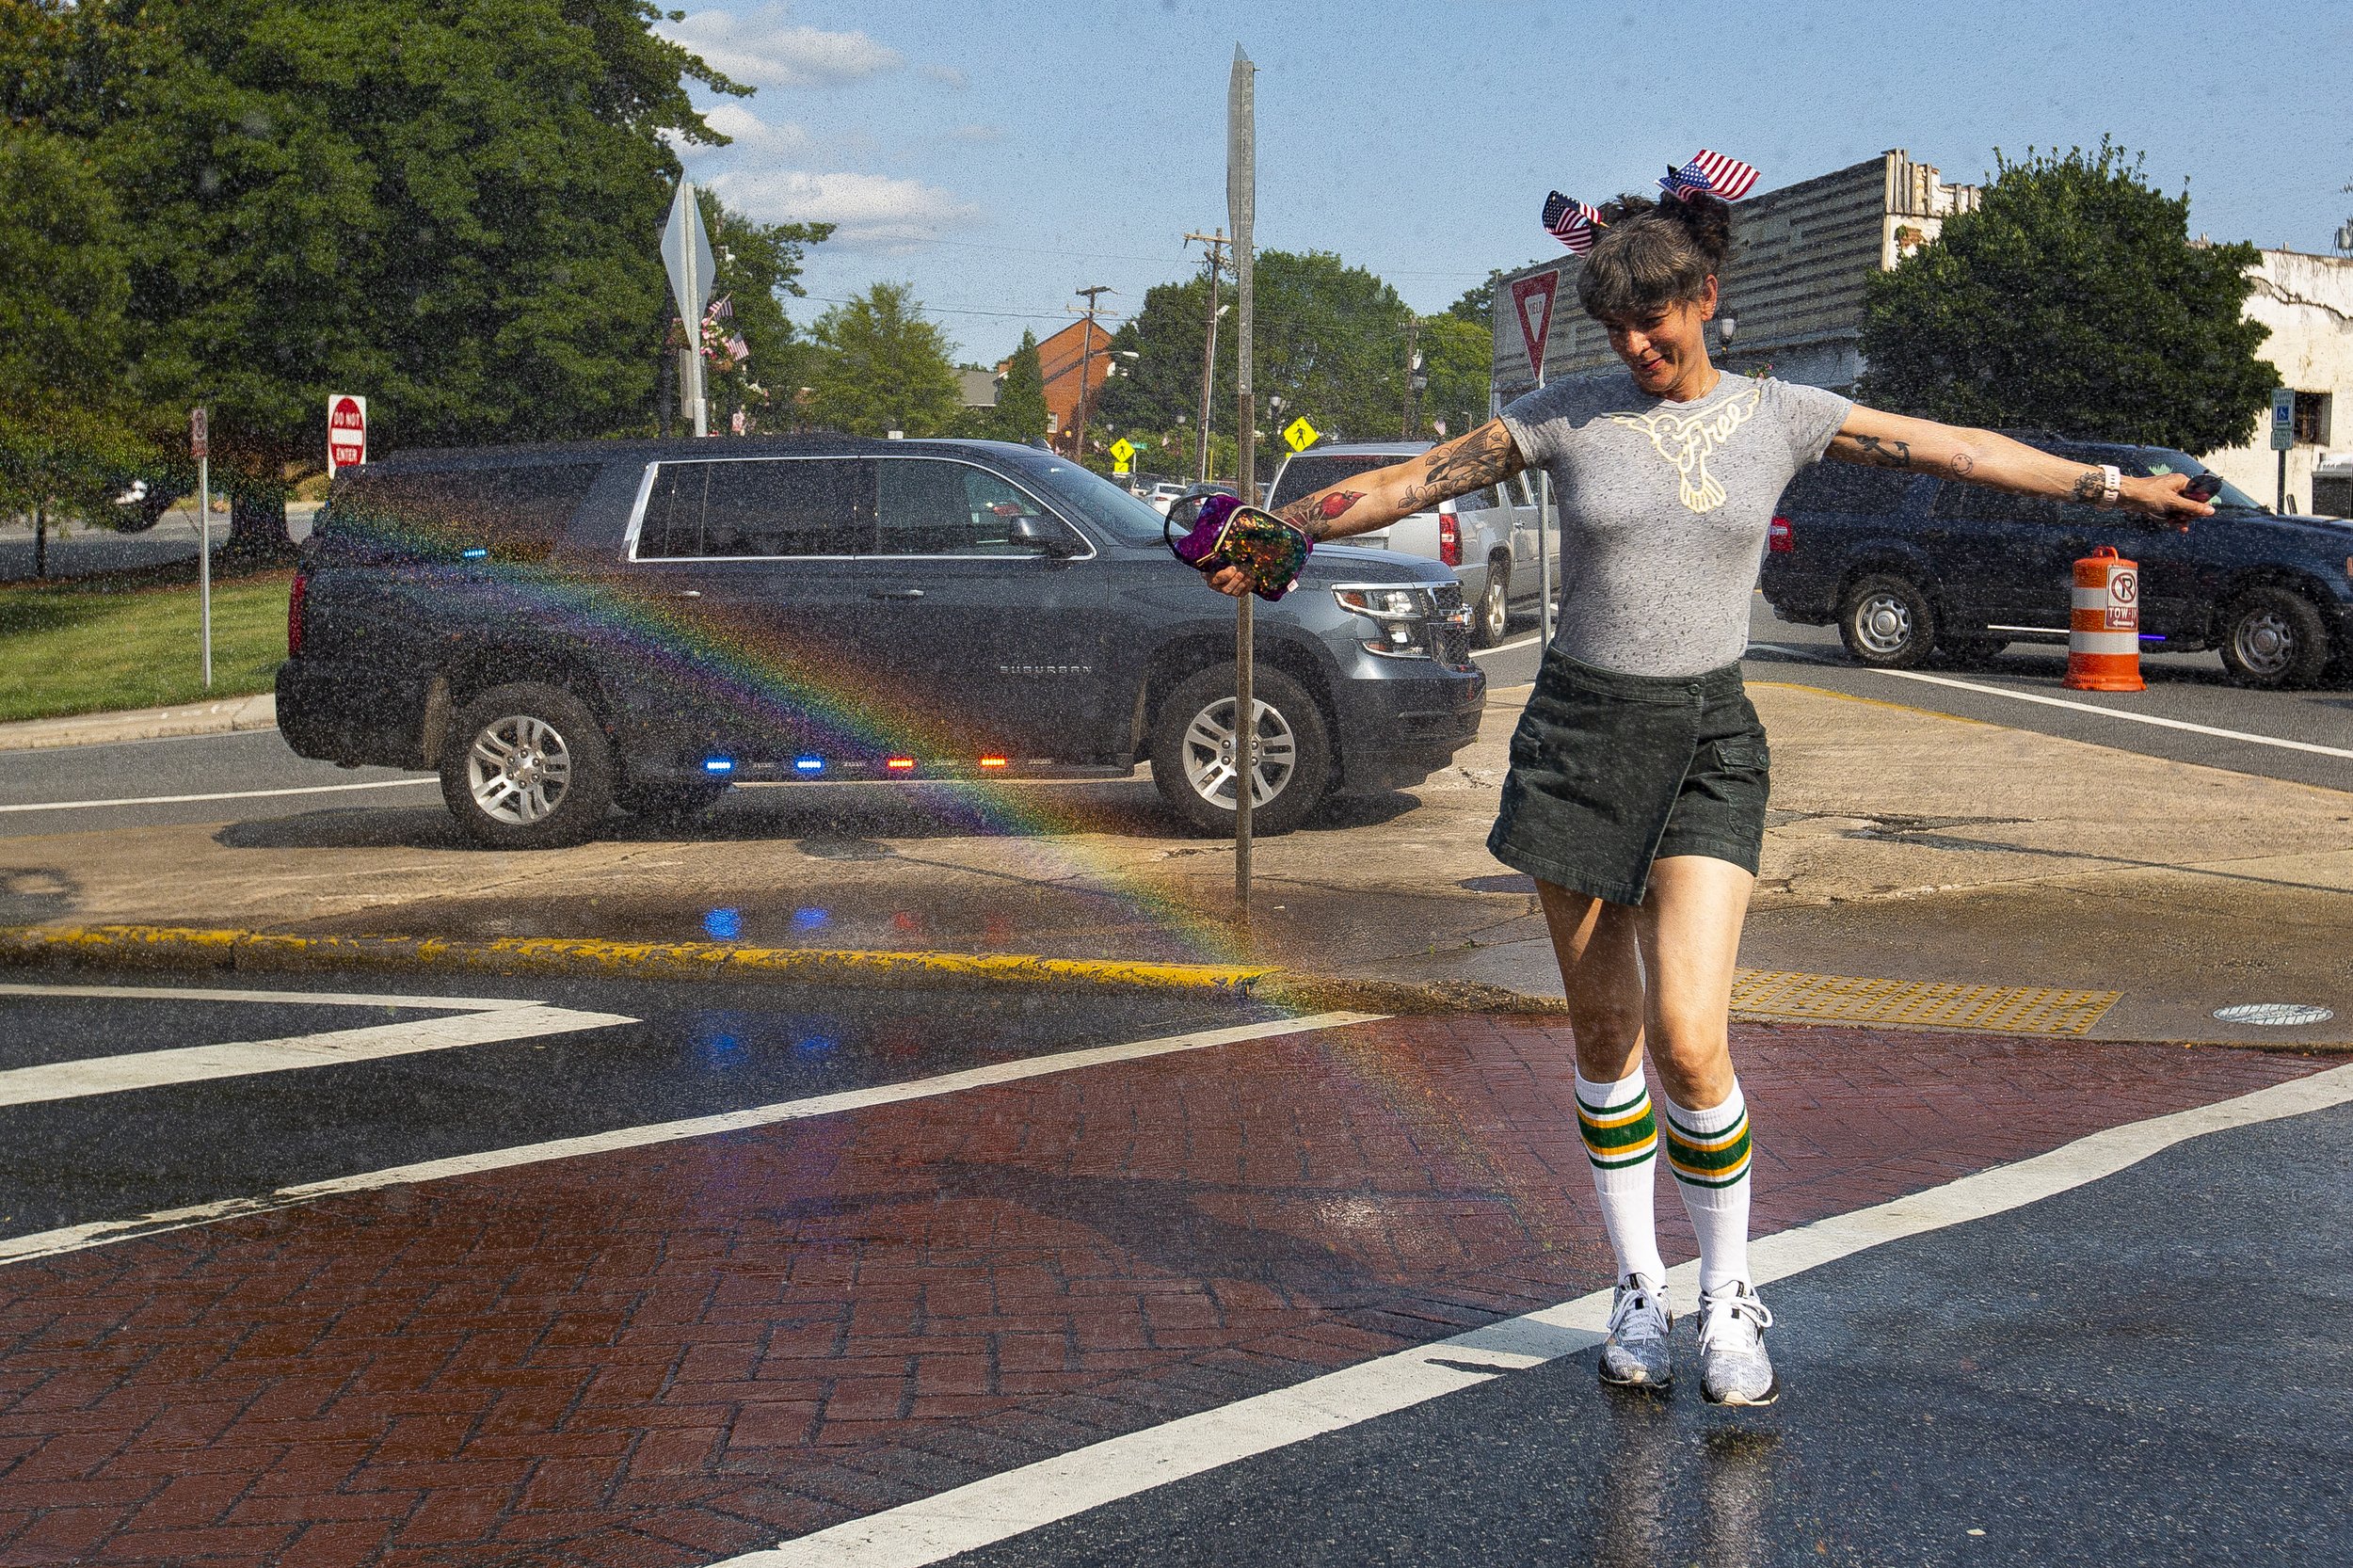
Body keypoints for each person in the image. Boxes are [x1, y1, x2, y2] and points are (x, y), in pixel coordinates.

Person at [1204, 181, 2213, 1405]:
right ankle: (1637, 1285)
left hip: (1707, 743)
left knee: (1690, 1035)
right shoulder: (1563, 413)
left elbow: (1957, 447)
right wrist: (1281, 529)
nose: (1636, 346)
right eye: (1616, 326)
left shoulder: (1782, 413)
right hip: (1578, 739)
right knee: (1602, 1035)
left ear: (1705, 299)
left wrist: (2114, 486)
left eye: (1654, 319)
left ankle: (1726, 1291)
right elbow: (1414, 480)